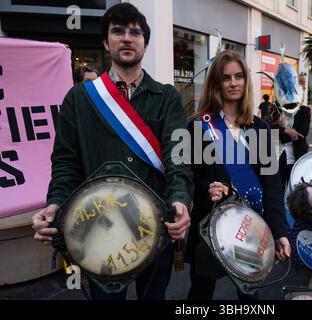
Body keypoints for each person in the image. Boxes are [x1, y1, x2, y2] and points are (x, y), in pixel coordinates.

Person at [32, 3, 193, 300]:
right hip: (98, 228)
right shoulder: (79, 99)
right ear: (106, 43)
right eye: (118, 31)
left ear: (144, 42)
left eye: (135, 32)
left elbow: (178, 158)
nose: (127, 38)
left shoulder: (167, 97)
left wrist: (181, 200)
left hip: (157, 225)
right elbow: (66, 163)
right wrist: (55, 203)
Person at [185, 50, 291, 300]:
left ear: (246, 81)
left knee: (249, 292)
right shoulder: (198, 126)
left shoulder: (262, 127)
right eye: (226, 78)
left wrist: (280, 231)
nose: (233, 83)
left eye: (239, 76)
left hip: (250, 226)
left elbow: (272, 185)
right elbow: (190, 178)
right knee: (201, 292)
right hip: (210, 225)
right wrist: (208, 186)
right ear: (216, 84)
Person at [278, 74, 311, 192]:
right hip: (278, 158)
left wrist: (280, 132)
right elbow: (268, 131)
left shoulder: (304, 111)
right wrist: (286, 130)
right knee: (278, 189)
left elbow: (302, 134)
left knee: (296, 191)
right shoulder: (276, 109)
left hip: (297, 157)